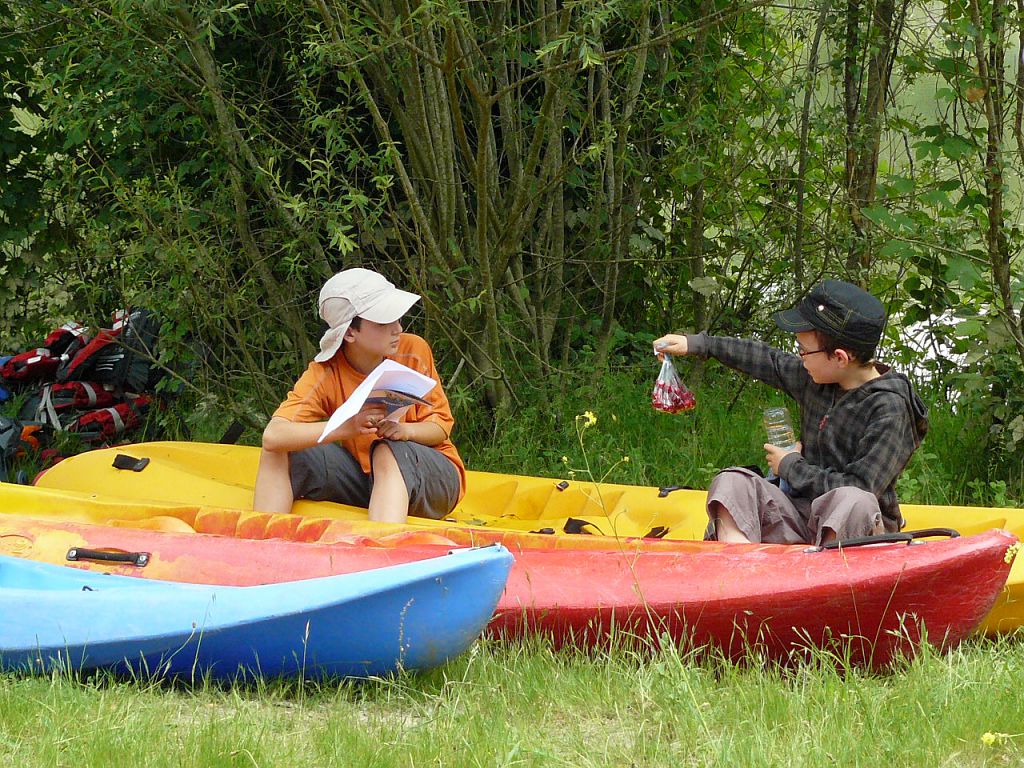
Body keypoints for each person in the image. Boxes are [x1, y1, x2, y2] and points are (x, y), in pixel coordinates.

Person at [653, 279, 928, 546]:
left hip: (856, 528)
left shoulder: (889, 408)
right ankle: (740, 565)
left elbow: (862, 486)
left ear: (840, 358)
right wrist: (697, 344)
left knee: (854, 499)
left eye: (803, 351)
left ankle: (824, 571)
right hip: (800, 514)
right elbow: (766, 359)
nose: (799, 358)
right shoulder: (817, 377)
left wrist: (790, 466)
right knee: (732, 482)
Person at [253, 267, 465, 524]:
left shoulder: (413, 349)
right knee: (280, 450)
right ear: (350, 333)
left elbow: (440, 428)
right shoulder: (326, 372)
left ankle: (381, 544)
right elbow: (273, 436)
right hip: (366, 480)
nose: (398, 328)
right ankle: (264, 538)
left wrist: (405, 431)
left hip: (434, 477)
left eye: (397, 319)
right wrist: (345, 428)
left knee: (387, 450)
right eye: (384, 322)